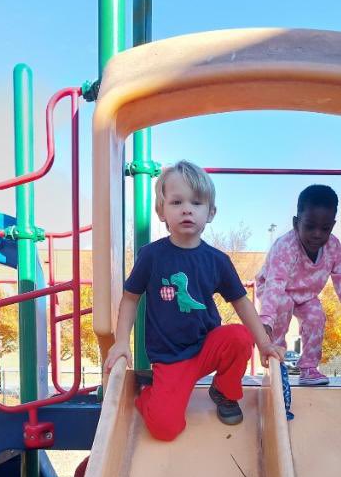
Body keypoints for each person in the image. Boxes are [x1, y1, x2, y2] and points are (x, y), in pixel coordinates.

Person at [103, 160, 284, 442]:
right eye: (176, 202)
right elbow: (130, 298)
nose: (187, 209)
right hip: (171, 359)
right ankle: (149, 395)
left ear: (210, 212)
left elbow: (242, 302)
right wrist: (122, 340)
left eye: (196, 203)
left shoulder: (217, 261)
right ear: (161, 211)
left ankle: (224, 391)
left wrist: (264, 343)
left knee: (238, 336)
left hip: (206, 347)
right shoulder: (151, 256)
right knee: (165, 429)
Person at [255, 184, 341, 385]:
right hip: (275, 290)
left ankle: (309, 368)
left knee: (316, 315)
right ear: (296, 223)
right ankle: (276, 359)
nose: (317, 234)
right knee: (283, 303)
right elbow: (276, 283)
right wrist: (266, 320)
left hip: (306, 295)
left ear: (332, 226)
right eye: (309, 226)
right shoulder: (285, 247)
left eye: (324, 229)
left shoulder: (333, 247)